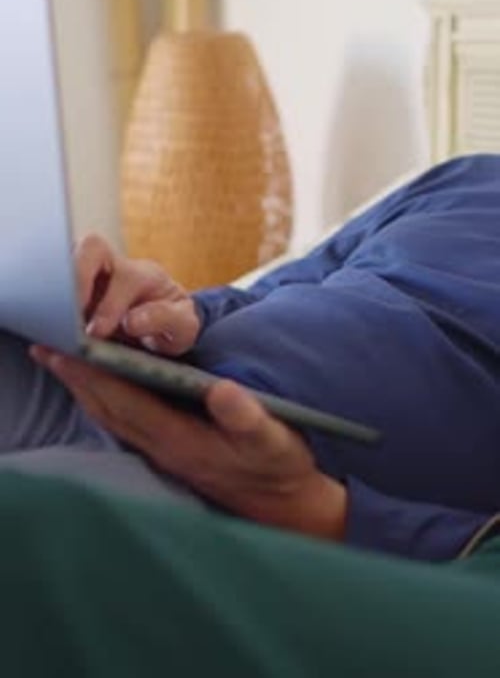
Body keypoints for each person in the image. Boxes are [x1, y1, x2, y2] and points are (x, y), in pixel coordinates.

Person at [2, 153, 500, 565]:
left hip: (236, 490)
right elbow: (274, 289)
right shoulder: (472, 179)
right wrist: (174, 311)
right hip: (130, 376)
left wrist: (310, 508)